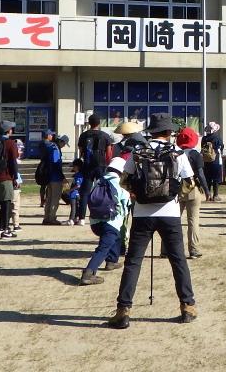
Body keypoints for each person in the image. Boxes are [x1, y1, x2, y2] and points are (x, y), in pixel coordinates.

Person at [108, 113, 197, 328]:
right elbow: (190, 183)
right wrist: (173, 195)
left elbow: (124, 180)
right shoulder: (177, 152)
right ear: (169, 132)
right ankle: (187, 306)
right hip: (170, 214)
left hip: (142, 214)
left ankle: (123, 310)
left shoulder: (138, 151)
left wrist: (138, 194)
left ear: (151, 132)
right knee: (178, 261)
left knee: (133, 262)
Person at [80, 156, 130, 286]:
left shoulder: (99, 181)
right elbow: (126, 203)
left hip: (95, 221)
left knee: (116, 237)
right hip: (111, 220)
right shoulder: (120, 183)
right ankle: (88, 273)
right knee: (103, 247)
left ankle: (111, 261)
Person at [175, 127, 208, 259]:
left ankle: (166, 249)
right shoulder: (195, 154)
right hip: (192, 188)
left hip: (177, 188)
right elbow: (200, 174)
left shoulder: (174, 153)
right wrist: (206, 190)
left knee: (173, 220)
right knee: (193, 220)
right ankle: (193, 249)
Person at [78, 113, 115, 225]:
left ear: (89, 123)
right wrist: (108, 164)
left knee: (85, 191)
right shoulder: (105, 135)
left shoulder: (84, 135)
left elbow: (81, 150)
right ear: (99, 123)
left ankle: (81, 218)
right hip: (101, 165)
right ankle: (102, 213)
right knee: (103, 190)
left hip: (88, 165)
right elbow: (109, 153)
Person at [41, 130, 65, 225]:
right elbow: (56, 163)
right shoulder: (54, 148)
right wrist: (62, 176)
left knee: (49, 198)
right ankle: (51, 218)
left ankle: (46, 217)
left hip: (48, 176)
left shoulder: (46, 146)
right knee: (55, 199)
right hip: (55, 177)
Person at [201, 122, 224, 202]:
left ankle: (208, 195)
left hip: (206, 160)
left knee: (208, 178)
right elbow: (221, 147)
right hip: (215, 160)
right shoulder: (217, 137)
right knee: (216, 178)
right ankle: (216, 195)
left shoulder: (204, 138)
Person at [9, 140, 24, 232]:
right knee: (14, 205)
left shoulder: (16, 160)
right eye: (19, 150)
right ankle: (15, 224)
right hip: (14, 185)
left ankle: (14, 224)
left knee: (14, 205)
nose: (21, 152)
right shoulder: (14, 161)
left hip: (16, 184)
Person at [65, 159, 85, 225]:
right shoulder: (79, 174)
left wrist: (69, 190)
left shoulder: (78, 175)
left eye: (74, 166)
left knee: (73, 207)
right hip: (77, 194)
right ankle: (75, 218)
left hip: (74, 193)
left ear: (77, 167)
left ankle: (71, 219)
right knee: (77, 207)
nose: (73, 167)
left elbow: (78, 185)